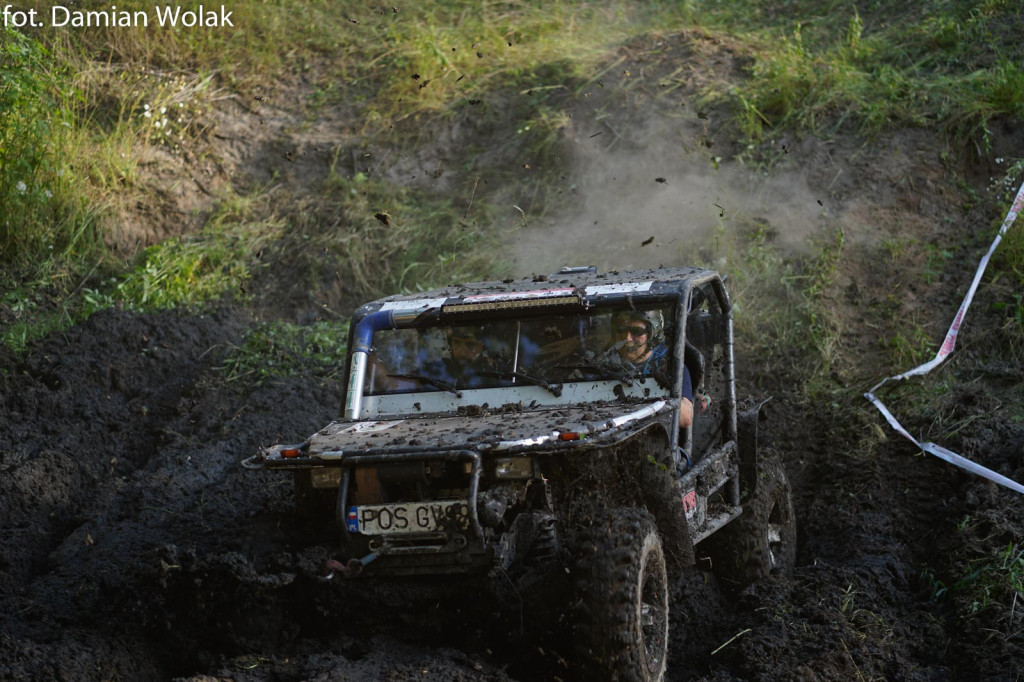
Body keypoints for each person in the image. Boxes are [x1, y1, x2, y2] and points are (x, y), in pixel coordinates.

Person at [608, 310, 693, 428]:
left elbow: (685, 417)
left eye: (637, 332)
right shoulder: (603, 365)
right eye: (621, 330)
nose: (627, 339)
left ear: (652, 335)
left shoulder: (669, 366)